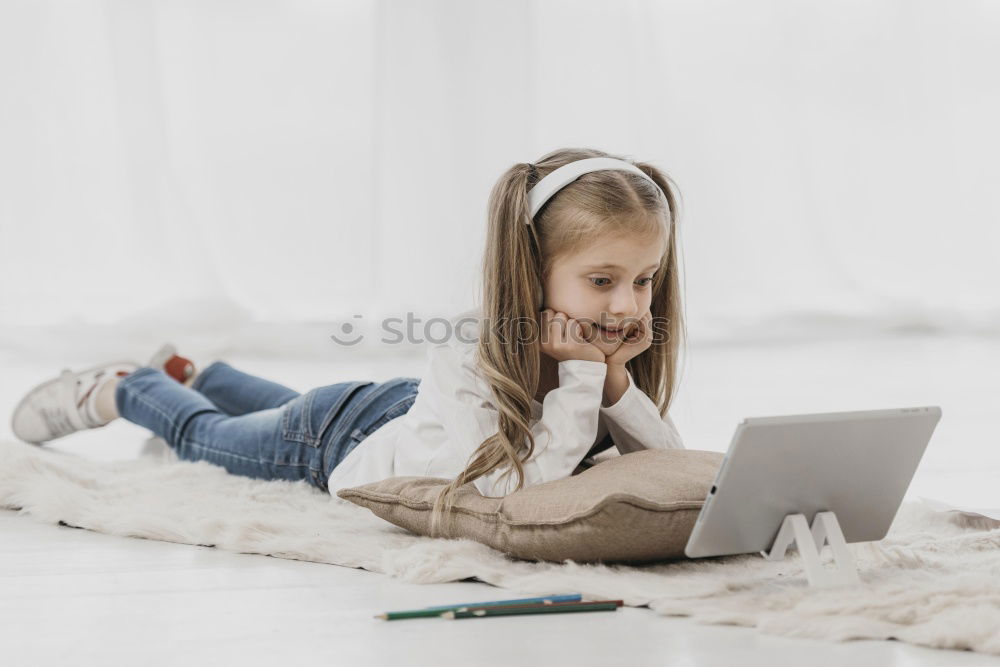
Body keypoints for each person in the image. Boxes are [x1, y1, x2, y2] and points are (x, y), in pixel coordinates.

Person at [10, 147, 686, 537]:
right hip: (342, 441)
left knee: (278, 409)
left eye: (643, 279)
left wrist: (617, 384)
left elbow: (672, 473)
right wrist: (576, 382)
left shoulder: (597, 356)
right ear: (531, 268)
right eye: (602, 279)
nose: (627, 304)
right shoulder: (471, 351)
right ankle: (125, 385)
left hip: (389, 413)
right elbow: (515, 493)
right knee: (210, 438)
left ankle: (194, 369)